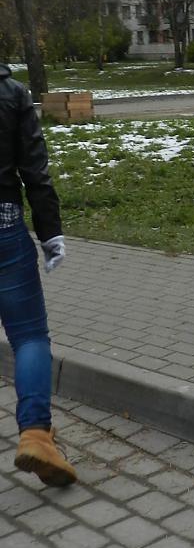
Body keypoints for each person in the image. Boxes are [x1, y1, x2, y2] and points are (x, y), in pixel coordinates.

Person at [0, 64, 76, 486]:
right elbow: (35, 171)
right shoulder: (11, 94)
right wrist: (50, 234)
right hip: (4, 227)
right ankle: (35, 435)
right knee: (28, 336)